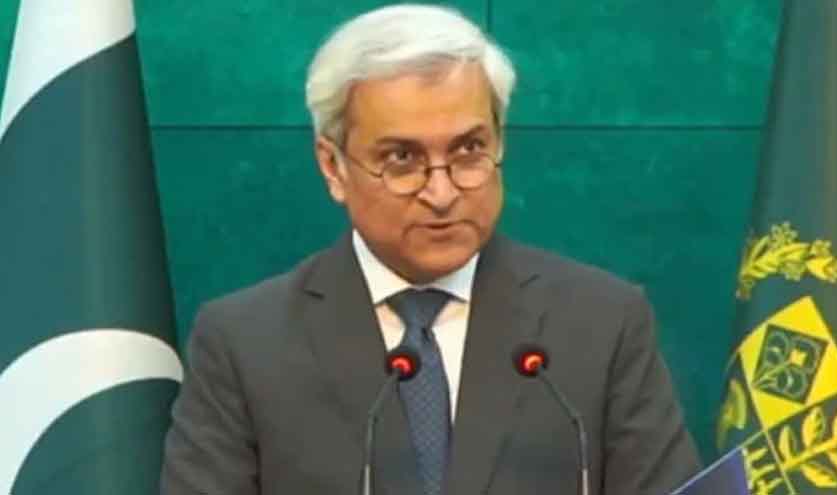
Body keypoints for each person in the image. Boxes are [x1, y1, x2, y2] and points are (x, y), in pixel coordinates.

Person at [160, 4, 701, 495]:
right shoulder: (245, 344)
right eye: (401, 159)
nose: (441, 193)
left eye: (469, 150)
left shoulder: (602, 324)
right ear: (333, 167)